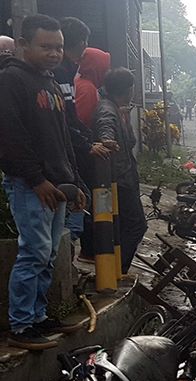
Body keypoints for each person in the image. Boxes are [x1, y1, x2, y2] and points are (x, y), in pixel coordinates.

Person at [0, 15, 86, 349]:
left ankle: (38, 315)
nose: (54, 53)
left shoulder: (49, 82)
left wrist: (74, 180)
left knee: (48, 254)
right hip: (30, 186)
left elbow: (63, 138)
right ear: (22, 44)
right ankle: (21, 326)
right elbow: (10, 138)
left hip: (57, 184)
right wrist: (36, 179)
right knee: (33, 252)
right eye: (45, 46)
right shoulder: (10, 81)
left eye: (59, 47)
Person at [54, 18, 109, 263]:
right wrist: (88, 144)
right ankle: (73, 257)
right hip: (71, 156)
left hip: (73, 152)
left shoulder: (67, 76)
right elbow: (74, 120)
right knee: (80, 206)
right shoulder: (75, 83)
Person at [93, 68, 147, 275]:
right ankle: (118, 271)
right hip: (118, 182)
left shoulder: (116, 108)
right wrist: (108, 140)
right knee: (136, 226)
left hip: (123, 179)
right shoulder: (107, 110)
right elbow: (105, 128)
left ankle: (116, 270)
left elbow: (130, 141)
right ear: (128, 89)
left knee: (123, 227)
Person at [74, 47, 110, 128]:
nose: (107, 72)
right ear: (97, 67)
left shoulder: (78, 82)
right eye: (105, 68)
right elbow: (82, 122)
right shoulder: (88, 89)